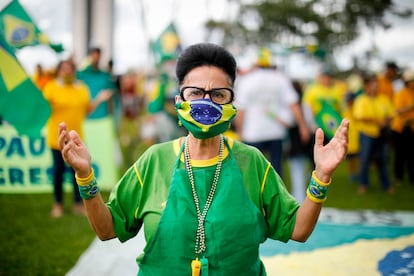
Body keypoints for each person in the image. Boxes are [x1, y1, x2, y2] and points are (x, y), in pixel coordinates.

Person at [58, 43, 349, 275]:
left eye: (218, 94)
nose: (206, 102)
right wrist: (85, 177)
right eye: (196, 92)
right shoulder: (154, 161)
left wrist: (321, 176)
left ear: (232, 102)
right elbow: (108, 229)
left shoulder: (252, 162)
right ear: (178, 99)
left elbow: (297, 230)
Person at [43, 59, 112, 218]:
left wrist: (100, 99)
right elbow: (43, 108)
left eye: (70, 68)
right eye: (64, 68)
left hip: (76, 139)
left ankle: (77, 204)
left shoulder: (81, 88)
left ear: (74, 71)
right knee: (58, 172)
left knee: (78, 172)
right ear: (59, 71)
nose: (67, 71)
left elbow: (87, 110)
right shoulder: (51, 87)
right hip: (57, 139)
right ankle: (58, 204)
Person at [234, 48, 310, 177]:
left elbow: (240, 110)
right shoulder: (280, 78)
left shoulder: (246, 80)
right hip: (276, 132)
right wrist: (303, 127)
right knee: (276, 171)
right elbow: (293, 104)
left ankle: (254, 196)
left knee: (252, 172)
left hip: (252, 133)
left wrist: (239, 131)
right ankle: (276, 196)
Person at [352, 73, 395, 195]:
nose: (376, 88)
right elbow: (359, 116)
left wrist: (385, 121)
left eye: (377, 85)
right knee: (364, 160)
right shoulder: (361, 100)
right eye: (373, 85)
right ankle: (363, 184)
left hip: (382, 135)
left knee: (383, 160)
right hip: (367, 134)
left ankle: (386, 185)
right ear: (367, 86)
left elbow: (391, 114)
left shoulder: (384, 99)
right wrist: (377, 121)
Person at [287, 80, 317, 202]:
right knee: (302, 173)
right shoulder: (306, 106)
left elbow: (288, 122)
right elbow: (312, 125)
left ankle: (299, 200)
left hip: (296, 145)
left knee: (297, 173)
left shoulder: (290, 108)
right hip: (305, 144)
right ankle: (303, 198)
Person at [390, 69, 414, 186]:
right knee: (400, 154)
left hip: (411, 128)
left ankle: (411, 177)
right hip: (400, 129)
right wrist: (411, 106)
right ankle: (399, 177)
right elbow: (398, 110)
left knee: (411, 155)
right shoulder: (401, 93)